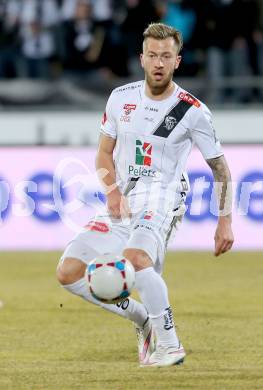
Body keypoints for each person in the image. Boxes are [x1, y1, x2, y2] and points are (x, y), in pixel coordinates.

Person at [56, 22, 234, 367]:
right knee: (69, 272)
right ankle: (143, 321)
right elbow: (104, 153)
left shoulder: (192, 110)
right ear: (142, 58)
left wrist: (224, 222)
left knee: (136, 260)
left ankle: (169, 345)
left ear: (177, 62)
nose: (158, 62)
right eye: (152, 55)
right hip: (122, 197)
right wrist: (111, 193)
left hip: (163, 197)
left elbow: (221, 169)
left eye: (166, 56)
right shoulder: (120, 98)